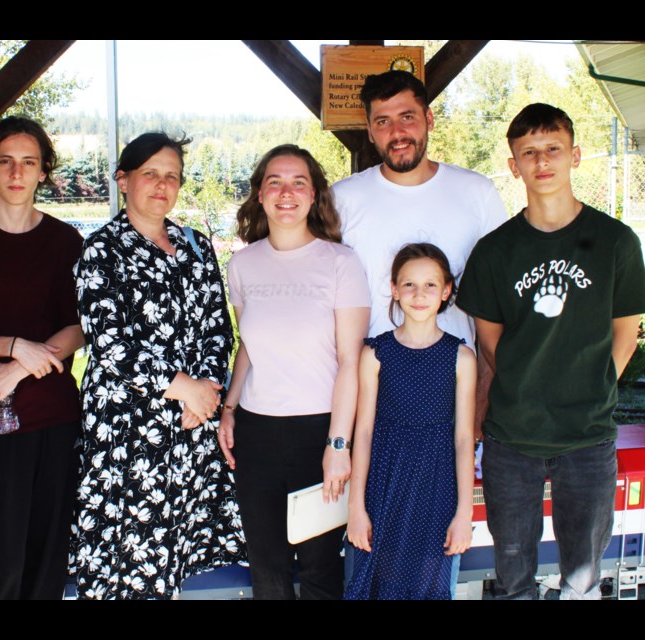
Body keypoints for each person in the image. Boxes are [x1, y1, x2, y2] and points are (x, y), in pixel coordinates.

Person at [456, 103, 645, 599]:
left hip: (587, 434)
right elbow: (490, 342)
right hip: (512, 437)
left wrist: (587, 389)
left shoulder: (615, 242)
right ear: (513, 164)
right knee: (512, 576)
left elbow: (624, 336)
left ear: (575, 155)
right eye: (529, 153)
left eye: (553, 149)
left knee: (582, 579)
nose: (542, 161)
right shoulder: (495, 251)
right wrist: (527, 388)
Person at [69, 132, 244, 599]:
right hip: (129, 434)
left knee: (173, 558)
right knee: (127, 562)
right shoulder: (101, 250)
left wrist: (206, 389)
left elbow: (217, 329)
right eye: (150, 173)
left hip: (189, 427)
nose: (162, 185)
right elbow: (110, 344)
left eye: (172, 176)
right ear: (123, 180)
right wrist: (184, 387)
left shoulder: (197, 246)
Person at [218, 145, 370, 599]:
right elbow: (249, 345)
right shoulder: (242, 265)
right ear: (260, 195)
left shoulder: (341, 262)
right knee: (267, 566)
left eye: (298, 182)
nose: (287, 192)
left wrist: (338, 445)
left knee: (321, 565)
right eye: (275, 182)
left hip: (318, 432)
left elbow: (350, 361)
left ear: (314, 195)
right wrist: (229, 409)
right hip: (257, 432)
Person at [332, 70, 507, 430]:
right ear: (369, 130)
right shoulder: (342, 199)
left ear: (428, 119)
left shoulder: (476, 194)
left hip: (453, 394)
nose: (397, 133)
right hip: (369, 397)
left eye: (407, 117)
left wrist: (481, 401)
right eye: (383, 121)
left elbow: (498, 306)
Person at [0, 116, 84, 600]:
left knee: (48, 555)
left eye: (29, 163)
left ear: (43, 172)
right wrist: (10, 346)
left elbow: (79, 326)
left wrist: (21, 365)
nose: (16, 172)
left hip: (55, 416)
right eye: (5, 161)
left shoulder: (65, 241)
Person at [345, 243, 475, 600]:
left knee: (428, 586)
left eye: (430, 285)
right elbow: (365, 431)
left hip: (437, 487)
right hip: (383, 486)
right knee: (375, 584)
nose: (419, 295)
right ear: (394, 288)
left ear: (446, 289)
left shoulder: (460, 357)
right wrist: (356, 508)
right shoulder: (375, 353)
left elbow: (464, 439)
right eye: (409, 285)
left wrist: (464, 513)